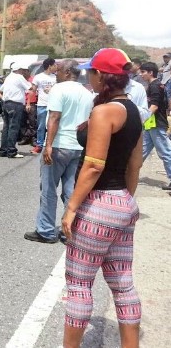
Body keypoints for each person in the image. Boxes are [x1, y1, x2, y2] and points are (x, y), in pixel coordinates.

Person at [61, 48, 142, 348]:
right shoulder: (134, 111)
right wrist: (124, 203)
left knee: (80, 284)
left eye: (90, 72)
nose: (88, 76)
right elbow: (135, 164)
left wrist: (71, 208)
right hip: (123, 202)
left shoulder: (104, 111)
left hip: (98, 204)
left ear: (101, 75)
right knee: (123, 284)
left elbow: (93, 164)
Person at [24, 60, 93, 243]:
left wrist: (48, 145)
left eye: (59, 71)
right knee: (71, 190)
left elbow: (54, 117)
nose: (56, 73)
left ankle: (46, 231)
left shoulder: (59, 89)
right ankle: (68, 230)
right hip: (78, 147)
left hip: (59, 145)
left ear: (69, 72)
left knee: (48, 189)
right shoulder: (87, 93)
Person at [139, 61, 171, 190]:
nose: (141, 75)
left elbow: (154, 106)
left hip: (156, 124)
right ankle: (126, 173)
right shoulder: (157, 85)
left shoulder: (154, 86)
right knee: (141, 151)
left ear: (150, 72)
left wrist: (141, 119)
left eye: (143, 72)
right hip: (151, 124)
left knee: (165, 152)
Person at [0, 62, 32, 158]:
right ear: (19, 70)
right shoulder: (19, 77)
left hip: (6, 103)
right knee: (14, 127)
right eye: (22, 70)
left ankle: (3, 150)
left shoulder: (9, 77)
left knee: (6, 127)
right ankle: (11, 151)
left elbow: (1, 89)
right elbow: (30, 87)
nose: (23, 72)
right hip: (15, 104)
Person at [29, 58, 57, 154]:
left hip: (54, 105)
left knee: (53, 125)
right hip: (42, 105)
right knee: (41, 126)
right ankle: (39, 145)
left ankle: (51, 145)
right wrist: (28, 103)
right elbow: (32, 91)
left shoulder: (56, 77)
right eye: (55, 65)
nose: (56, 67)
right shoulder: (38, 77)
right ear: (50, 66)